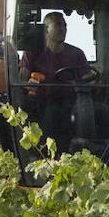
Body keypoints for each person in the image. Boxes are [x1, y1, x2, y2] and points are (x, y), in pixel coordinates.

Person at [17, 12, 92, 150]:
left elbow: (89, 78)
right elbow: (22, 80)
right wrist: (29, 84)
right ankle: (48, 153)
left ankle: (100, 151)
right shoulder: (32, 53)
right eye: (58, 25)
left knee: (104, 112)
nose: (63, 29)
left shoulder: (77, 54)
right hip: (43, 102)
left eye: (65, 25)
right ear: (46, 30)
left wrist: (94, 78)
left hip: (73, 102)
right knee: (53, 112)